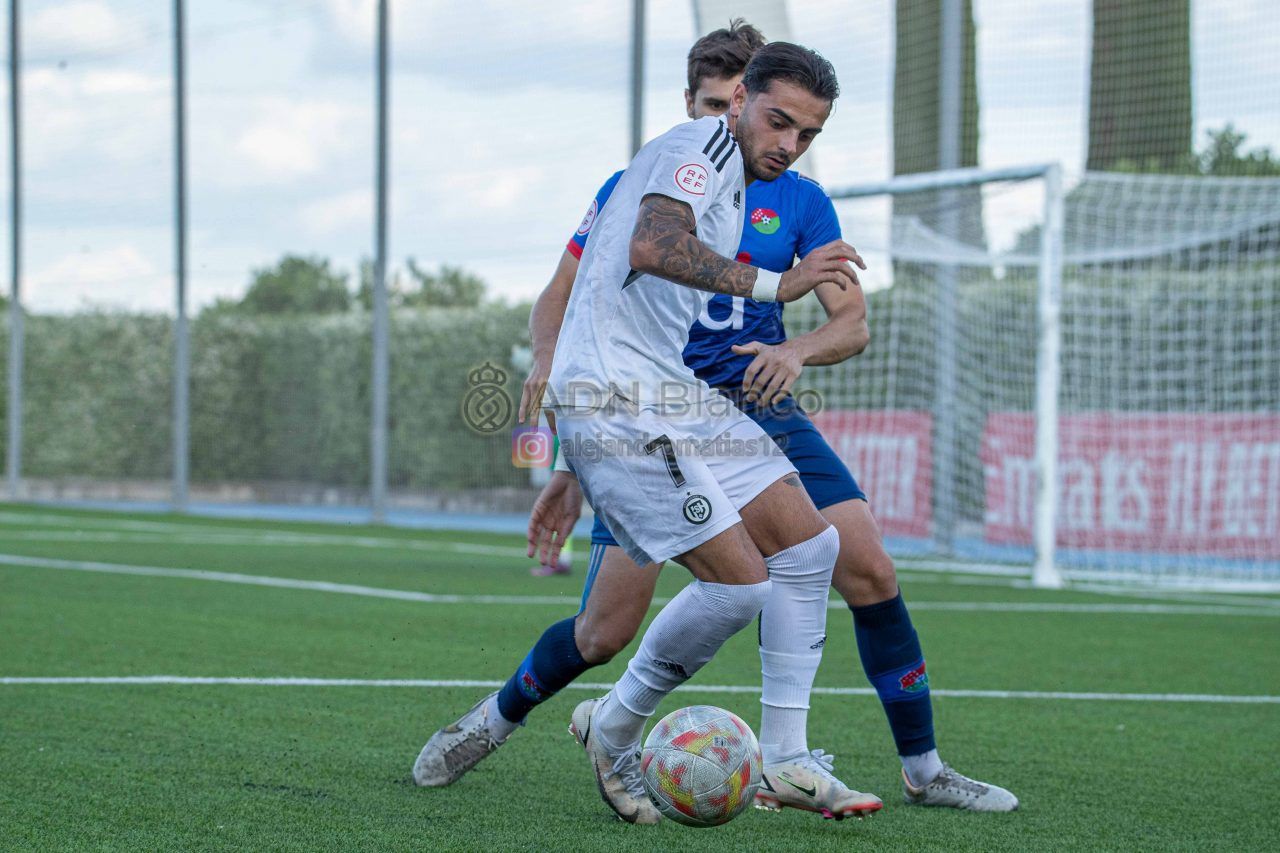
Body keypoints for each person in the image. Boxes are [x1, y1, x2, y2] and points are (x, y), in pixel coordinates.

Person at [416, 26, 1016, 819]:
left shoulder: (752, 186)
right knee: (713, 595)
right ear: (736, 101)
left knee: (814, 546)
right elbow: (649, 244)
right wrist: (778, 284)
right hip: (621, 399)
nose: (790, 144)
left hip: (681, 392)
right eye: (778, 121)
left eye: (808, 133)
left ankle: (790, 760)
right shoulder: (695, 147)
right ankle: (605, 726)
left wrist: (792, 336)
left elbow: (821, 314)